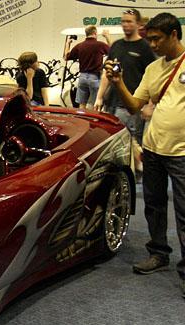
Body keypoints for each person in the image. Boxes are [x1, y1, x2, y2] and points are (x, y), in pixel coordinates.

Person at [104, 12, 185, 298]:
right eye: (149, 39)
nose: (152, 45)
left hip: (181, 152)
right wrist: (118, 83)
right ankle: (158, 253)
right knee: (154, 205)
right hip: (152, 149)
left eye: (157, 39)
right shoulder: (153, 69)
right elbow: (135, 106)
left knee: (184, 212)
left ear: (174, 34)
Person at [94, 9, 155, 175]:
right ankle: (126, 172)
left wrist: (149, 105)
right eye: (123, 21)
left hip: (132, 104)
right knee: (115, 140)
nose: (126, 24)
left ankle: (136, 173)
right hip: (112, 103)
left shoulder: (145, 48)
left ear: (138, 24)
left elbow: (153, 79)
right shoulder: (116, 46)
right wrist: (99, 97)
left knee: (130, 139)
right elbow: (107, 73)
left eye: (129, 21)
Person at [64, 25, 110, 109]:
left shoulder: (80, 46)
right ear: (95, 33)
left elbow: (66, 57)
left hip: (82, 77)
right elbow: (113, 51)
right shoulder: (100, 45)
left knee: (82, 104)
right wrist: (107, 37)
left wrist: (68, 44)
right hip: (95, 77)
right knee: (94, 105)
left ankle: (81, 117)